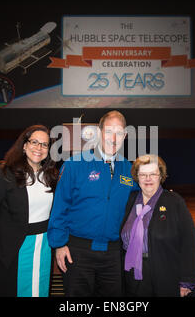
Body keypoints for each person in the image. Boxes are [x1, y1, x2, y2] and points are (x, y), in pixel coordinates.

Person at [47, 110, 138, 296]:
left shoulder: (129, 170)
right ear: (99, 133)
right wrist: (59, 244)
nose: (114, 138)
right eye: (109, 131)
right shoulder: (74, 165)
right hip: (77, 253)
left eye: (119, 133)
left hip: (114, 255)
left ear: (125, 136)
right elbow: (59, 207)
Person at [0, 125, 58, 297]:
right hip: (15, 249)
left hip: (44, 247)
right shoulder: (5, 173)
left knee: (40, 290)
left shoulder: (51, 176)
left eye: (44, 144)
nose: (39, 148)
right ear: (24, 145)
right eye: (34, 142)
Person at [121, 154, 195, 297]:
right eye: (143, 174)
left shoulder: (174, 202)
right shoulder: (130, 200)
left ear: (161, 176)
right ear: (137, 177)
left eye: (153, 174)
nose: (148, 179)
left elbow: (189, 243)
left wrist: (187, 281)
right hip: (132, 276)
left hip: (166, 275)